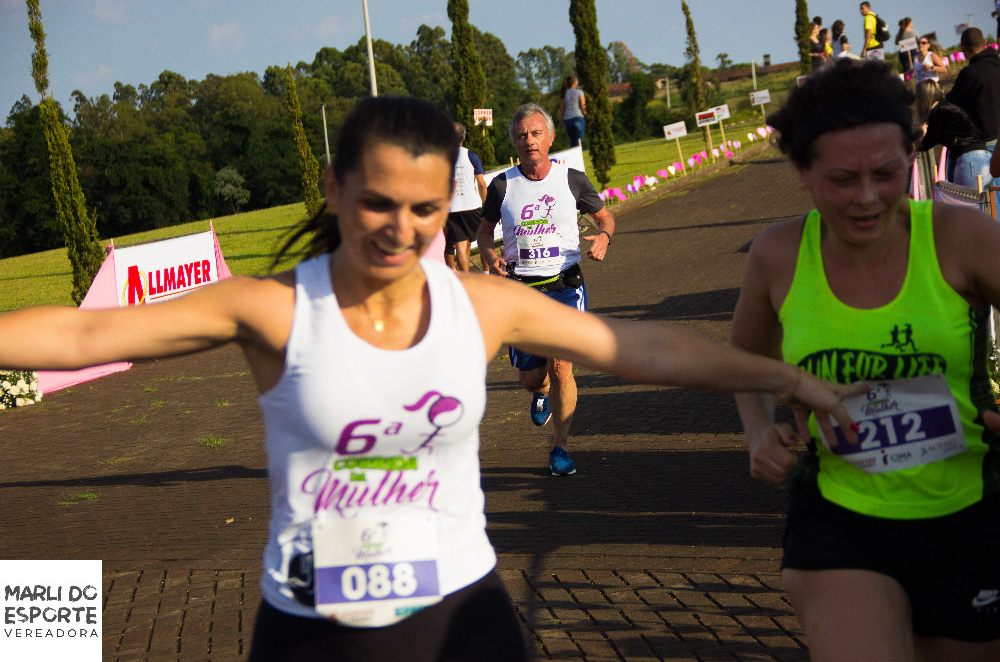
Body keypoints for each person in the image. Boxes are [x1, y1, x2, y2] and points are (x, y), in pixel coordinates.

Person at [0, 95, 863, 660]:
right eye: (377, 203)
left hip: (461, 618)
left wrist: (790, 380)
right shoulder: (271, 309)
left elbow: (645, 349)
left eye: (422, 208)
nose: (401, 230)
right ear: (336, 191)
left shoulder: (482, 305)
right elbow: (85, 329)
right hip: (310, 628)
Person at [732, 59, 1000, 661]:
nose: (868, 198)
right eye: (842, 179)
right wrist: (756, 434)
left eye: (887, 173)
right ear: (801, 172)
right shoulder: (778, 254)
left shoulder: (961, 236)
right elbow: (745, 354)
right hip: (841, 515)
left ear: (913, 156)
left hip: (967, 509)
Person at [476, 102, 614, 476]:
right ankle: (540, 394)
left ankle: (560, 448)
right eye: (522, 135)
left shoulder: (571, 180)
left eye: (536, 133)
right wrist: (490, 257)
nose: (529, 141)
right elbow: (484, 231)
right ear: (514, 143)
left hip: (566, 285)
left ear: (551, 137)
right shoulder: (503, 185)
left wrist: (603, 236)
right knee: (533, 376)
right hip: (521, 291)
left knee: (562, 366)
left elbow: (605, 217)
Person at [915, 78, 994, 188]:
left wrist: (920, 136)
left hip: (969, 161)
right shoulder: (951, 106)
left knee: (964, 203)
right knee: (991, 204)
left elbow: (928, 143)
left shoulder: (938, 112)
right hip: (985, 157)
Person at [947, 27, 1000, 153]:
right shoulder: (997, 67)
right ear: (985, 42)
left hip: (984, 145)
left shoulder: (969, 73)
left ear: (963, 48)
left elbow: (951, 105)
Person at [444, 122, 487, 272]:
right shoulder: (471, 155)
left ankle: (466, 280)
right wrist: (485, 204)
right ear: (464, 137)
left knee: (460, 246)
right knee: (484, 241)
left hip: (453, 208)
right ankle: (487, 274)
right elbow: (481, 183)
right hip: (472, 206)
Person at [558, 76, 586, 148]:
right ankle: (578, 158)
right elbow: (583, 107)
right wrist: (587, 114)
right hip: (578, 118)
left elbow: (562, 110)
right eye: (577, 80)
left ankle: (572, 158)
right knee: (579, 142)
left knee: (573, 142)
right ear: (574, 82)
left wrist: (560, 122)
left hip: (567, 120)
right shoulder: (579, 92)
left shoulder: (563, 94)